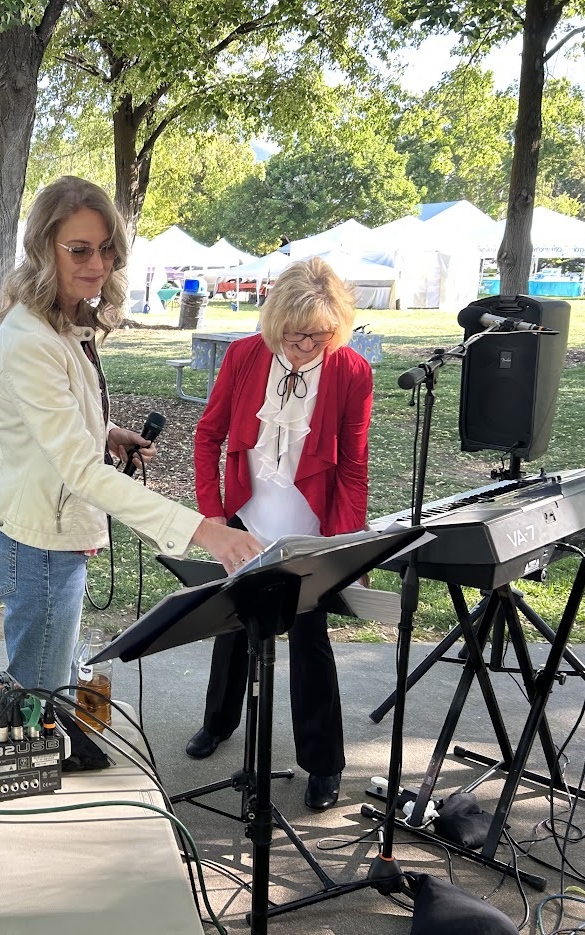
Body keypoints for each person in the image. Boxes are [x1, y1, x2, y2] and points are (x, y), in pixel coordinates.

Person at [0, 176, 262, 694]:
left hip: (46, 534)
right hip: (37, 545)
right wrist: (206, 531)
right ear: (44, 248)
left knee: (56, 688)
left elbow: (50, 415)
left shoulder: (65, 320)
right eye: (80, 250)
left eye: (107, 249)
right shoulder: (29, 339)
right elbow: (80, 471)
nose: (97, 264)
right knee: (42, 703)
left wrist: (105, 431)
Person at [184, 256, 373, 810]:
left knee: (311, 642)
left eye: (316, 337)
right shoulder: (244, 357)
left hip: (313, 528)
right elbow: (208, 435)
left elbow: (353, 467)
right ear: (273, 326)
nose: (303, 349)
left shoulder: (352, 372)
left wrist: (344, 546)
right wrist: (214, 517)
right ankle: (219, 722)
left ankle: (323, 762)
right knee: (234, 625)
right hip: (246, 518)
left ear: (335, 329)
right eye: (292, 338)